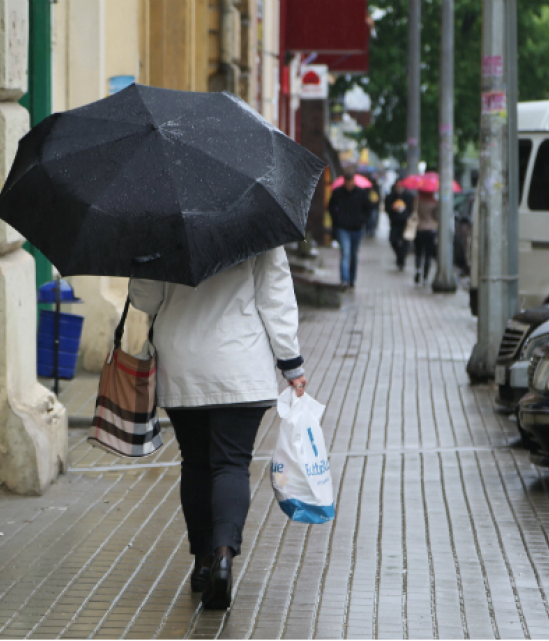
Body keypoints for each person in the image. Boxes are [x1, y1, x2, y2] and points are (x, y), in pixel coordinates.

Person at [129, 246, 307, 609]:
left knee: (195, 463)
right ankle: (224, 554)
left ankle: (203, 563)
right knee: (231, 464)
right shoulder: (259, 220)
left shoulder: (162, 224)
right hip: (240, 363)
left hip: (182, 363)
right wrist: (291, 363)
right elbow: (275, 295)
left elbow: (145, 300)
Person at [328, 168, 371, 287]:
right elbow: (331, 206)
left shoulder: (361, 193)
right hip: (343, 228)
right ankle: (344, 280)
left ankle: (352, 279)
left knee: (354, 255)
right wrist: (337, 219)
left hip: (357, 229)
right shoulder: (338, 192)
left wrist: (362, 220)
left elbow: (368, 208)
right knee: (345, 253)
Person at [385, 178, 415, 270]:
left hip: (406, 223)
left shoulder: (409, 196)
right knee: (393, 240)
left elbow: (412, 209)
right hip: (394, 222)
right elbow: (387, 208)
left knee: (405, 242)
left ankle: (401, 260)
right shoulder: (391, 196)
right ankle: (399, 256)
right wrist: (392, 209)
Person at [413, 190, 439, 285]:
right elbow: (437, 216)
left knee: (419, 252)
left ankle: (418, 270)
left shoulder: (417, 201)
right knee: (428, 254)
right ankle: (425, 276)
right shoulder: (434, 203)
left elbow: (414, 213)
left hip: (419, 228)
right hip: (431, 229)